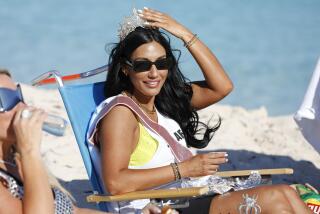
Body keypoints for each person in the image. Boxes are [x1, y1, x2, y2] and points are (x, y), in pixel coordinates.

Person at [87, 8, 310, 213]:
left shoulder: (162, 102)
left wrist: (184, 34)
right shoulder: (121, 114)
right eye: (143, 65)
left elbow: (222, 86)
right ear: (126, 69)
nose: (154, 73)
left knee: (288, 192)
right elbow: (115, 183)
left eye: (162, 63)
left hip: (186, 196)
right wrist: (183, 169)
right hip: (157, 206)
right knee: (276, 198)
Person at [0, 70, 164, 214]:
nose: (21, 106)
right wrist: (30, 151)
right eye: (4, 100)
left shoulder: (17, 160)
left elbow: (72, 211)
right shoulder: (28, 157)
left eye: (18, 95)